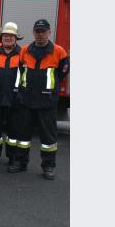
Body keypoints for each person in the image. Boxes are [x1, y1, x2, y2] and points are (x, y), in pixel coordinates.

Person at [11, 19, 69, 180]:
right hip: (26, 100)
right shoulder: (25, 50)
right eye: (37, 31)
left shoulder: (59, 51)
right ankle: (20, 163)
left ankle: (48, 166)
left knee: (48, 138)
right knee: (22, 136)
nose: (40, 34)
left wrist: (49, 88)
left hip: (47, 101)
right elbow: (22, 69)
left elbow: (62, 72)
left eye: (43, 31)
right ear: (33, 33)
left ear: (49, 32)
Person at [0, 22, 24, 166]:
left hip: (15, 99)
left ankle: (12, 156)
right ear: (1, 37)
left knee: (13, 131)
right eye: (5, 35)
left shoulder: (23, 54)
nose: (8, 38)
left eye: (11, 36)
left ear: (16, 38)